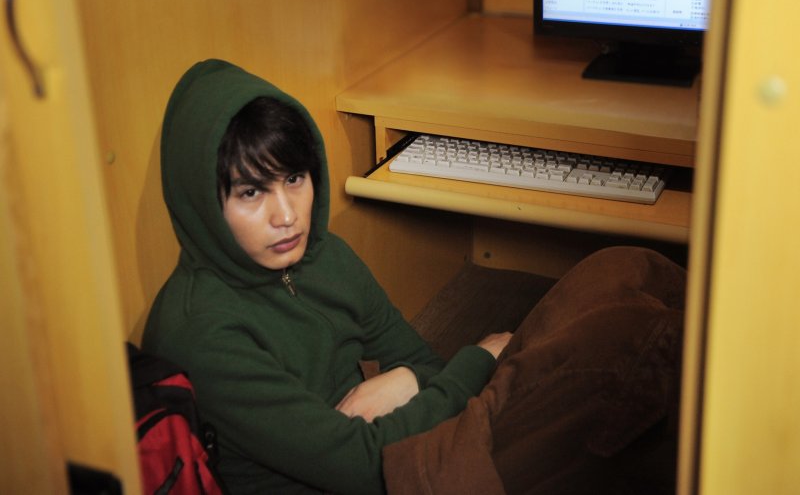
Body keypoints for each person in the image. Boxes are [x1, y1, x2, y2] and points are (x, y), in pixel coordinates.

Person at [142, 59, 685, 494]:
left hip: (414, 435)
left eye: (294, 178)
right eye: (251, 192)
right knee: (616, 359)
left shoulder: (323, 257)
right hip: (392, 474)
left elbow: (423, 362)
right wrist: (480, 359)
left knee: (621, 269)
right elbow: (363, 465)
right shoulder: (204, 331)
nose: (287, 215)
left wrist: (404, 379)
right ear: (204, 202)